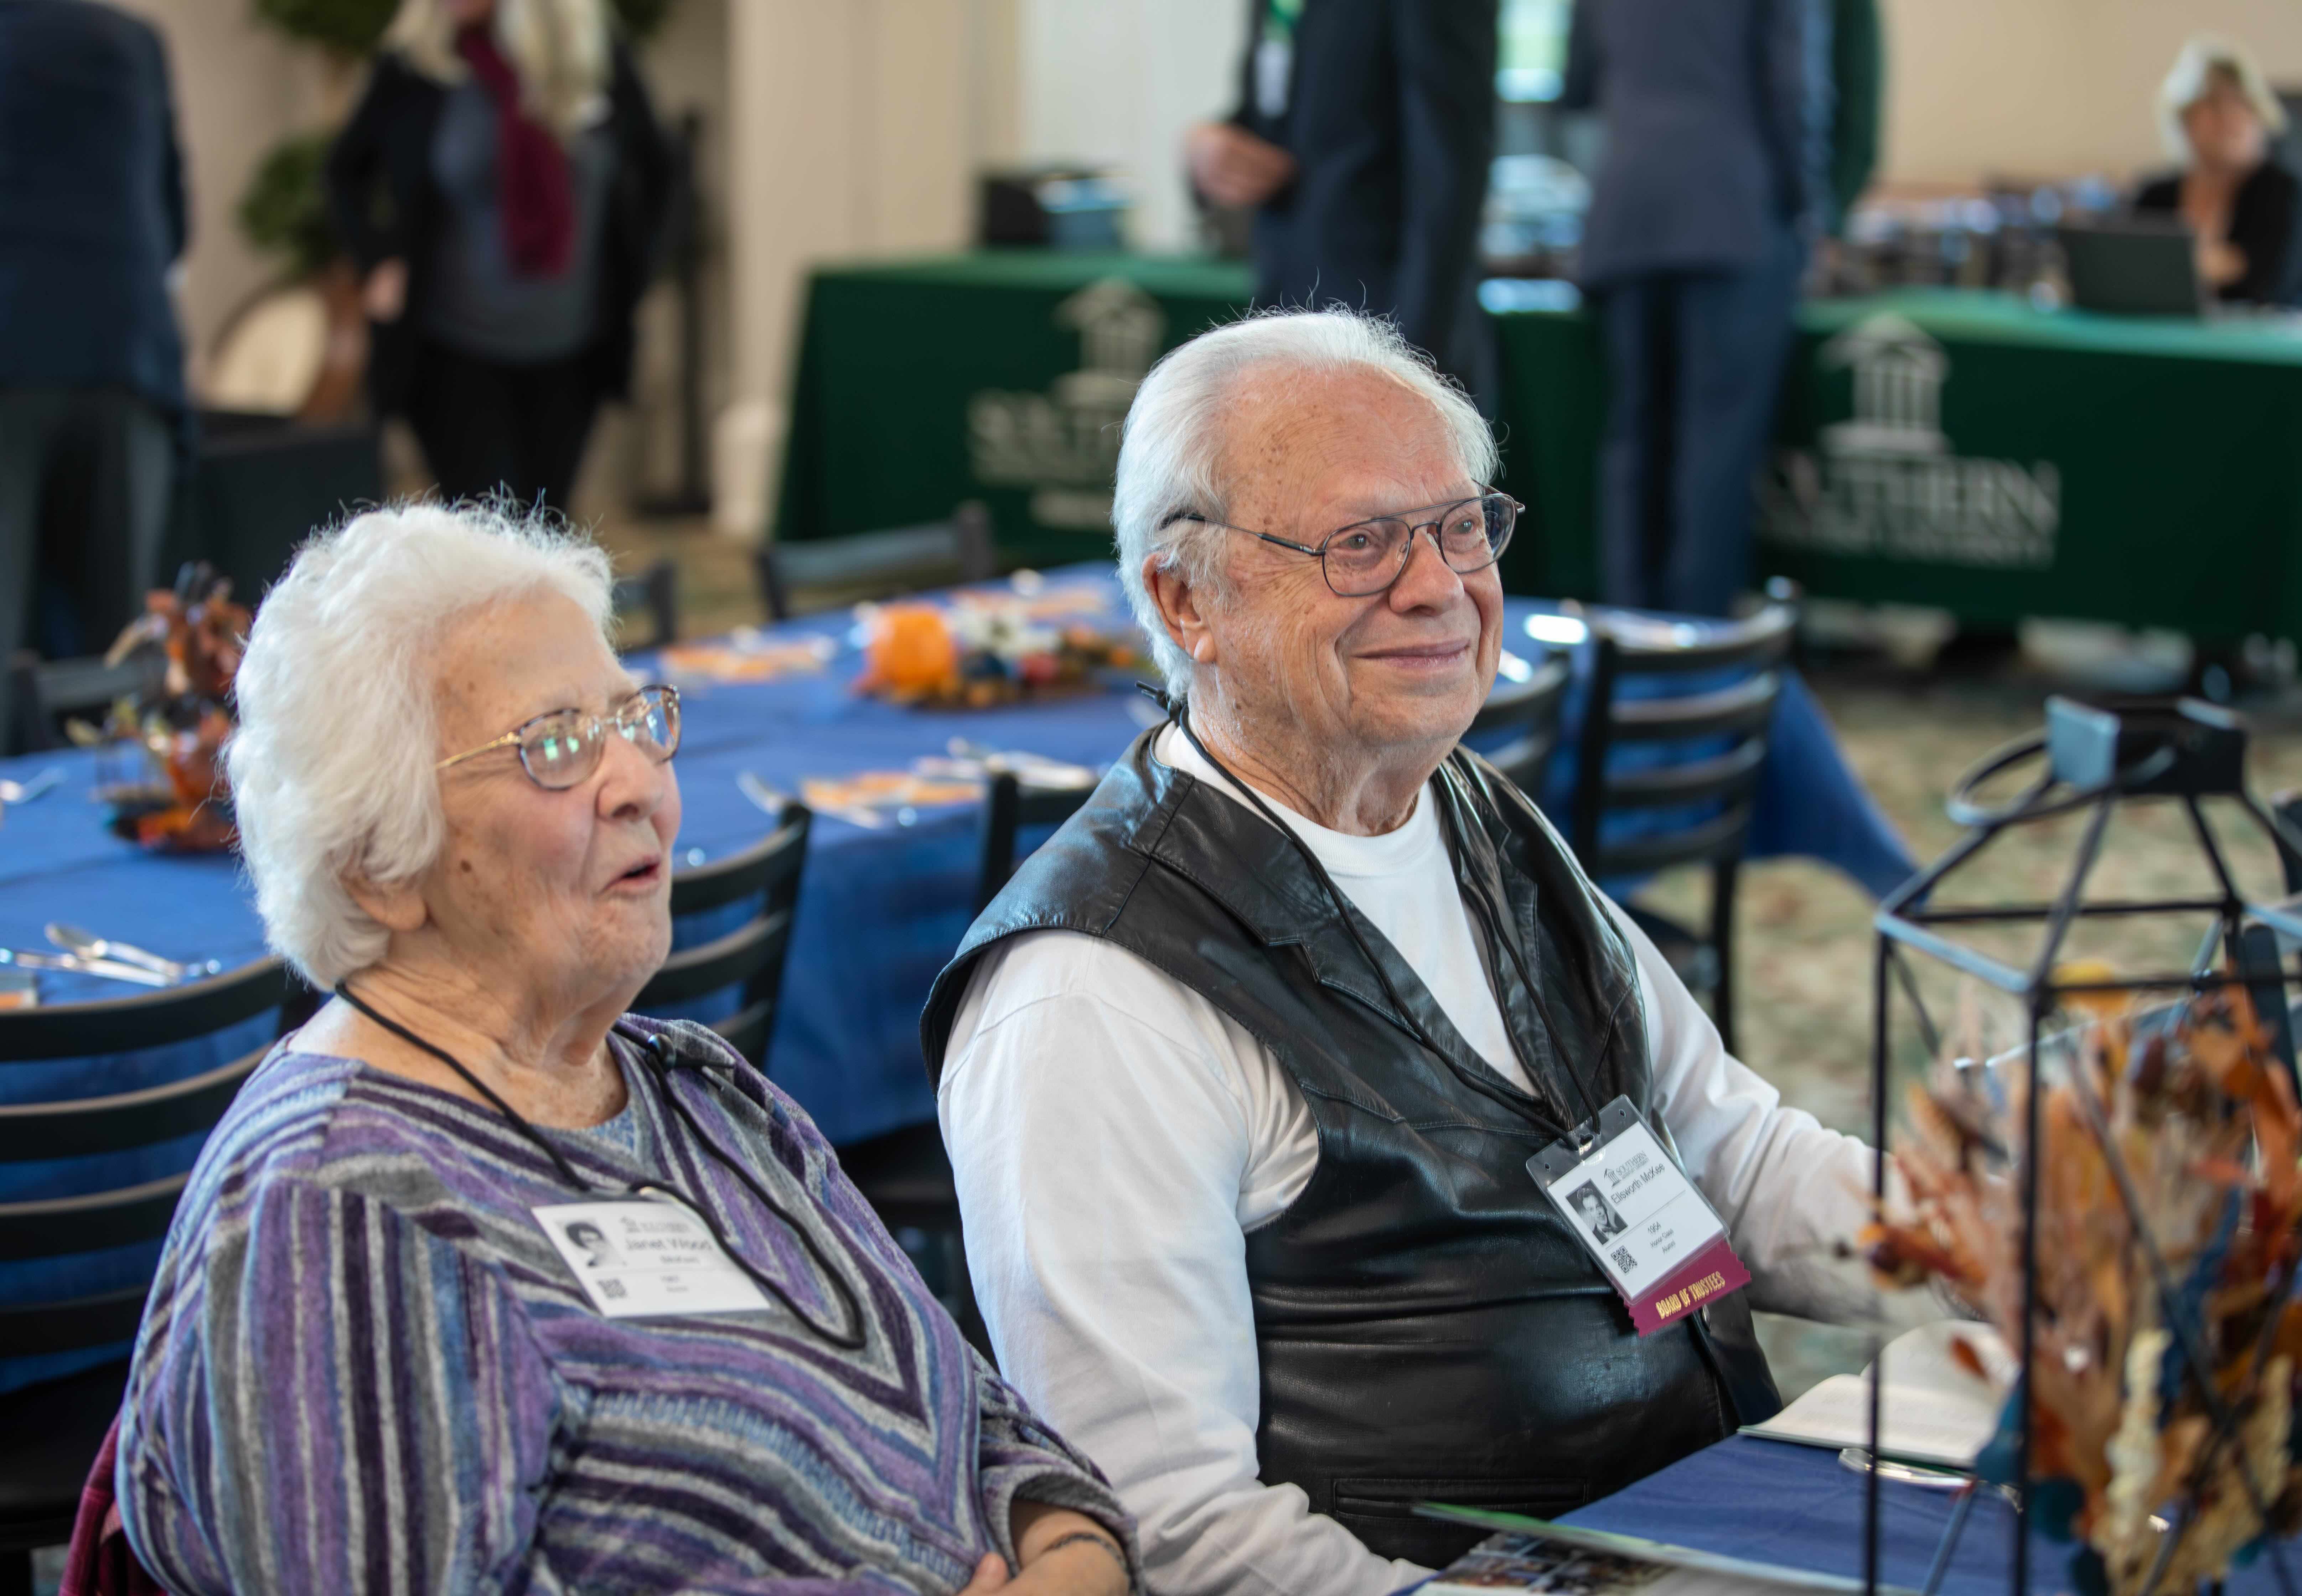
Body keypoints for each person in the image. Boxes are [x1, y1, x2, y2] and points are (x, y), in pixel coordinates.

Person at [924, 310, 1920, 1596]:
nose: (1437, 584)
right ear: (1186, 599)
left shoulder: (1468, 807)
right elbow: (1171, 1528)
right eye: (1359, 543)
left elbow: (1722, 1150)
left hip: (1690, 1512)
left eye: (1458, 526)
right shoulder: (1088, 996)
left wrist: (1980, 1240)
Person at [115, 503, 1138, 1596]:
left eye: (634, 719)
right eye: (554, 744)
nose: (641, 783)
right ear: (376, 860)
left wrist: (1071, 1560)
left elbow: (988, 1423)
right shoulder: (338, 1209)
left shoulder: (688, 1084)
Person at [325, 0, 673, 513]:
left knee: (548, 529)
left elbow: (662, 172)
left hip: (571, 350)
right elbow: (344, 173)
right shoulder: (419, 66)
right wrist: (379, 260)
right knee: (488, 529)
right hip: (454, 347)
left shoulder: (595, 64)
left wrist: (635, 276)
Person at [1572, 0, 1827, 617]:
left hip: (1628, 211)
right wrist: (1808, 208)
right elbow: (1794, 88)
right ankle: (1696, 646)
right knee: (1716, 444)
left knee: (1636, 436)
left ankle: (1627, 634)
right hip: (1733, 214)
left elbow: (1578, 82)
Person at [1184, 0, 1499, 399]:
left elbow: (1451, 171)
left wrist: (1413, 362)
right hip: (1288, 317)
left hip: (1384, 331)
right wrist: (1214, 144)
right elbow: (1280, 118)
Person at [0, 0, 186, 670]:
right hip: (124, 352)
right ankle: (121, 775)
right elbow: (173, 219)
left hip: (11, 357)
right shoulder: (135, 44)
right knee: (118, 642)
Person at [2131, 37, 2302, 309]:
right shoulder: (2155, 197)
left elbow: (2271, 285)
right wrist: (2222, 264)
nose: (2228, 118)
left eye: (2241, 104)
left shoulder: (2285, 194)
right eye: (2212, 105)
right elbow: (2129, 277)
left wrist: (2178, 268)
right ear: (2184, 119)